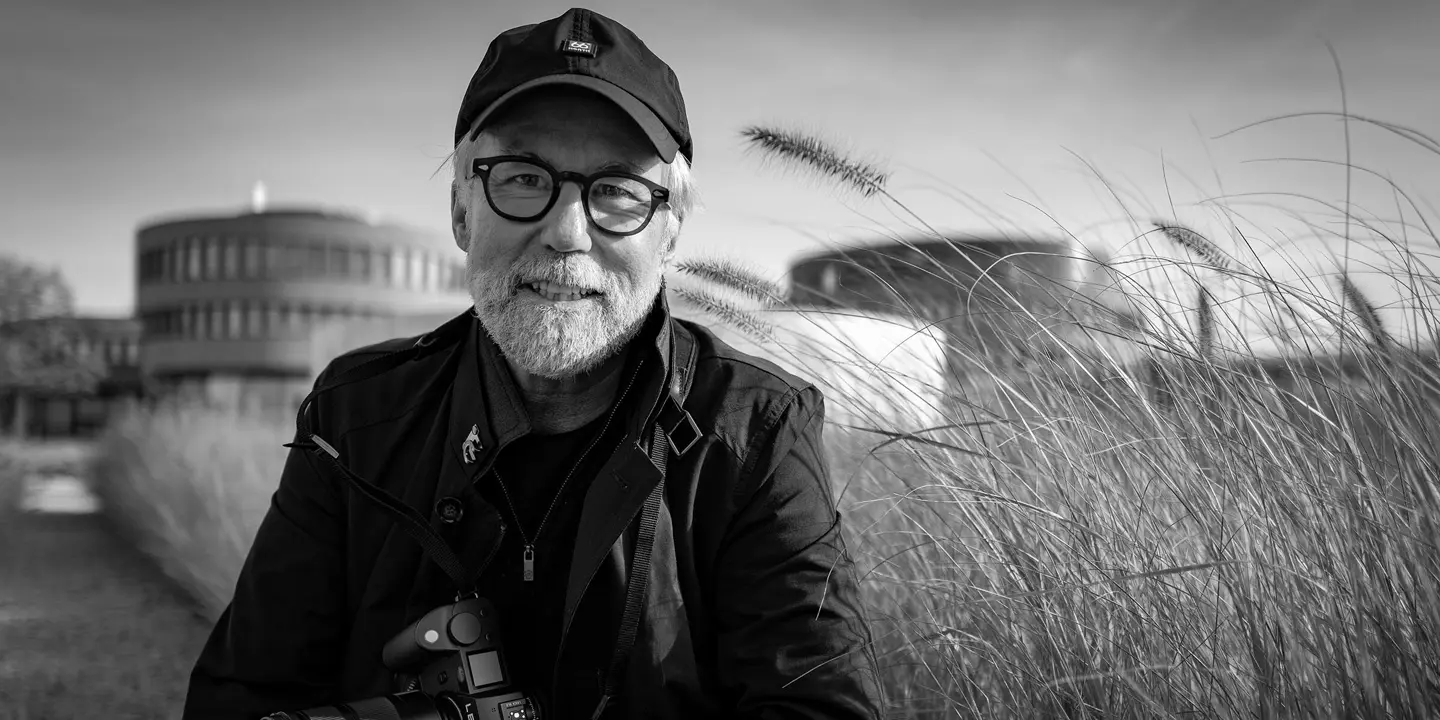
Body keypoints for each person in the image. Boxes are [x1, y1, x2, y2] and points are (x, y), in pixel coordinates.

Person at [182, 7, 884, 720]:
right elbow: (242, 696)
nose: (565, 232)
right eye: (522, 178)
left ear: (670, 230)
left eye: (616, 191)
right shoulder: (355, 418)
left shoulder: (755, 433)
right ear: (461, 211)